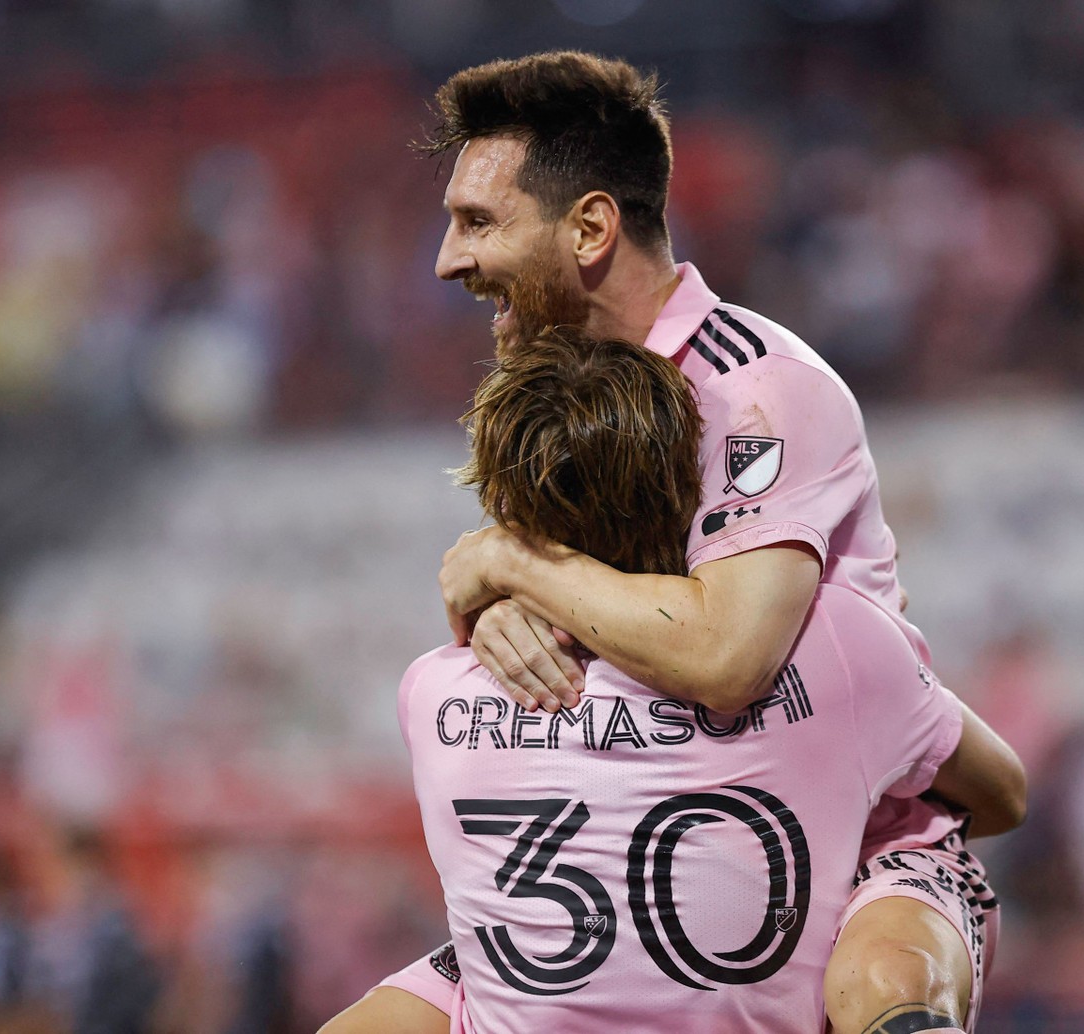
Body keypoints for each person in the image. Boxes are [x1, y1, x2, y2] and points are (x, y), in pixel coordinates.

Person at [331, 51, 1026, 1033]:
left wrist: (513, 562)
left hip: (834, 842)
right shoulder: (555, 390)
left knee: (883, 991)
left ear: (589, 227)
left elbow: (726, 657)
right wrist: (498, 607)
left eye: (478, 222)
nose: (448, 259)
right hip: (637, 815)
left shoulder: (757, 391)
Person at [326, 330, 1012, 1033]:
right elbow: (1002, 795)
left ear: (508, 514)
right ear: (690, 484)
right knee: (899, 937)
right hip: (786, 987)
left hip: (557, 979)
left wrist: (509, 579)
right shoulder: (832, 638)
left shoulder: (434, 693)